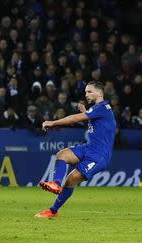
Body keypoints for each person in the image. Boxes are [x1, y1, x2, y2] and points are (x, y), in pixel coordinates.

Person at [35, 81, 116, 218]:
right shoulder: (98, 110)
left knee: (71, 180)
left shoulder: (103, 107)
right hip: (88, 148)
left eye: (90, 91)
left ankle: (53, 210)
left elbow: (75, 118)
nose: (86, 94)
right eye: (85, 92)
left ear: (100, 93)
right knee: (62, 154)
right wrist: (86, 113)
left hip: (99, 156)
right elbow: (99, 126)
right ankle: (55, 183)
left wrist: (53, 122)